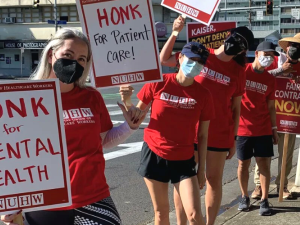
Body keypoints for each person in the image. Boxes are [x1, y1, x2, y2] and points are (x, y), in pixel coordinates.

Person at [0, 28, 150, 225]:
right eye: (68, 55)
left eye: (82, 59)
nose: (75, 62)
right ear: (51, 55)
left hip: (94, 197)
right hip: (47, 203)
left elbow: (103, 140)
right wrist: (10, 203)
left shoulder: (91, 97)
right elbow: (12, 155)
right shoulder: (24, 100)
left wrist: (129, 127)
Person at [160, 16, 254, 225]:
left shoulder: (239, 72)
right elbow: (164, 59)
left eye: (242, 45)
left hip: (220, 132)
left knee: (213, 181)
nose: (236, 44)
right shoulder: (202, 54)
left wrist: (234, 137)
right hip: (190, 129)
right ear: (228, 35)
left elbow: (236, 107)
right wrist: (175, 32)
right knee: (185, 180)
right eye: (236, 38)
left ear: (241, 51)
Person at [123, 42, 214, 225]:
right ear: (180, 58)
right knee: (161, 214)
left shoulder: (203, 94)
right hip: (155, 153)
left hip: (184, 159)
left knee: (195, 216)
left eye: (200, 62)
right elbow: (135, 119)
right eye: (191, 59)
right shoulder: (159, 82)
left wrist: (201, 169)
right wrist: (126, 100)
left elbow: (203, 135)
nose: (195, 64)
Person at [252, 33, 300, 200]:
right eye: (293, 46)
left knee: (286, 155)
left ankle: (282, 186)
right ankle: (259, 185)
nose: (295, 50)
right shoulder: (273, 61)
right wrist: (281, 70)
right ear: (286, 47)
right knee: (263, 154)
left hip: (290, 116)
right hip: (269, 115)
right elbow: (259, 77)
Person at [236, 41, 279, 216]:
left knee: (264, 165)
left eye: (271, 56)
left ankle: (264, 200)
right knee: (242, 164)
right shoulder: (241, 72)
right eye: (266, 54)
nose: (268, 59)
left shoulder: (270, 79)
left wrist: (274, 129)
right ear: (257, 54)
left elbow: (271, 107)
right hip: (242, 129)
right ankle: (244, 196)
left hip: (263, 129)